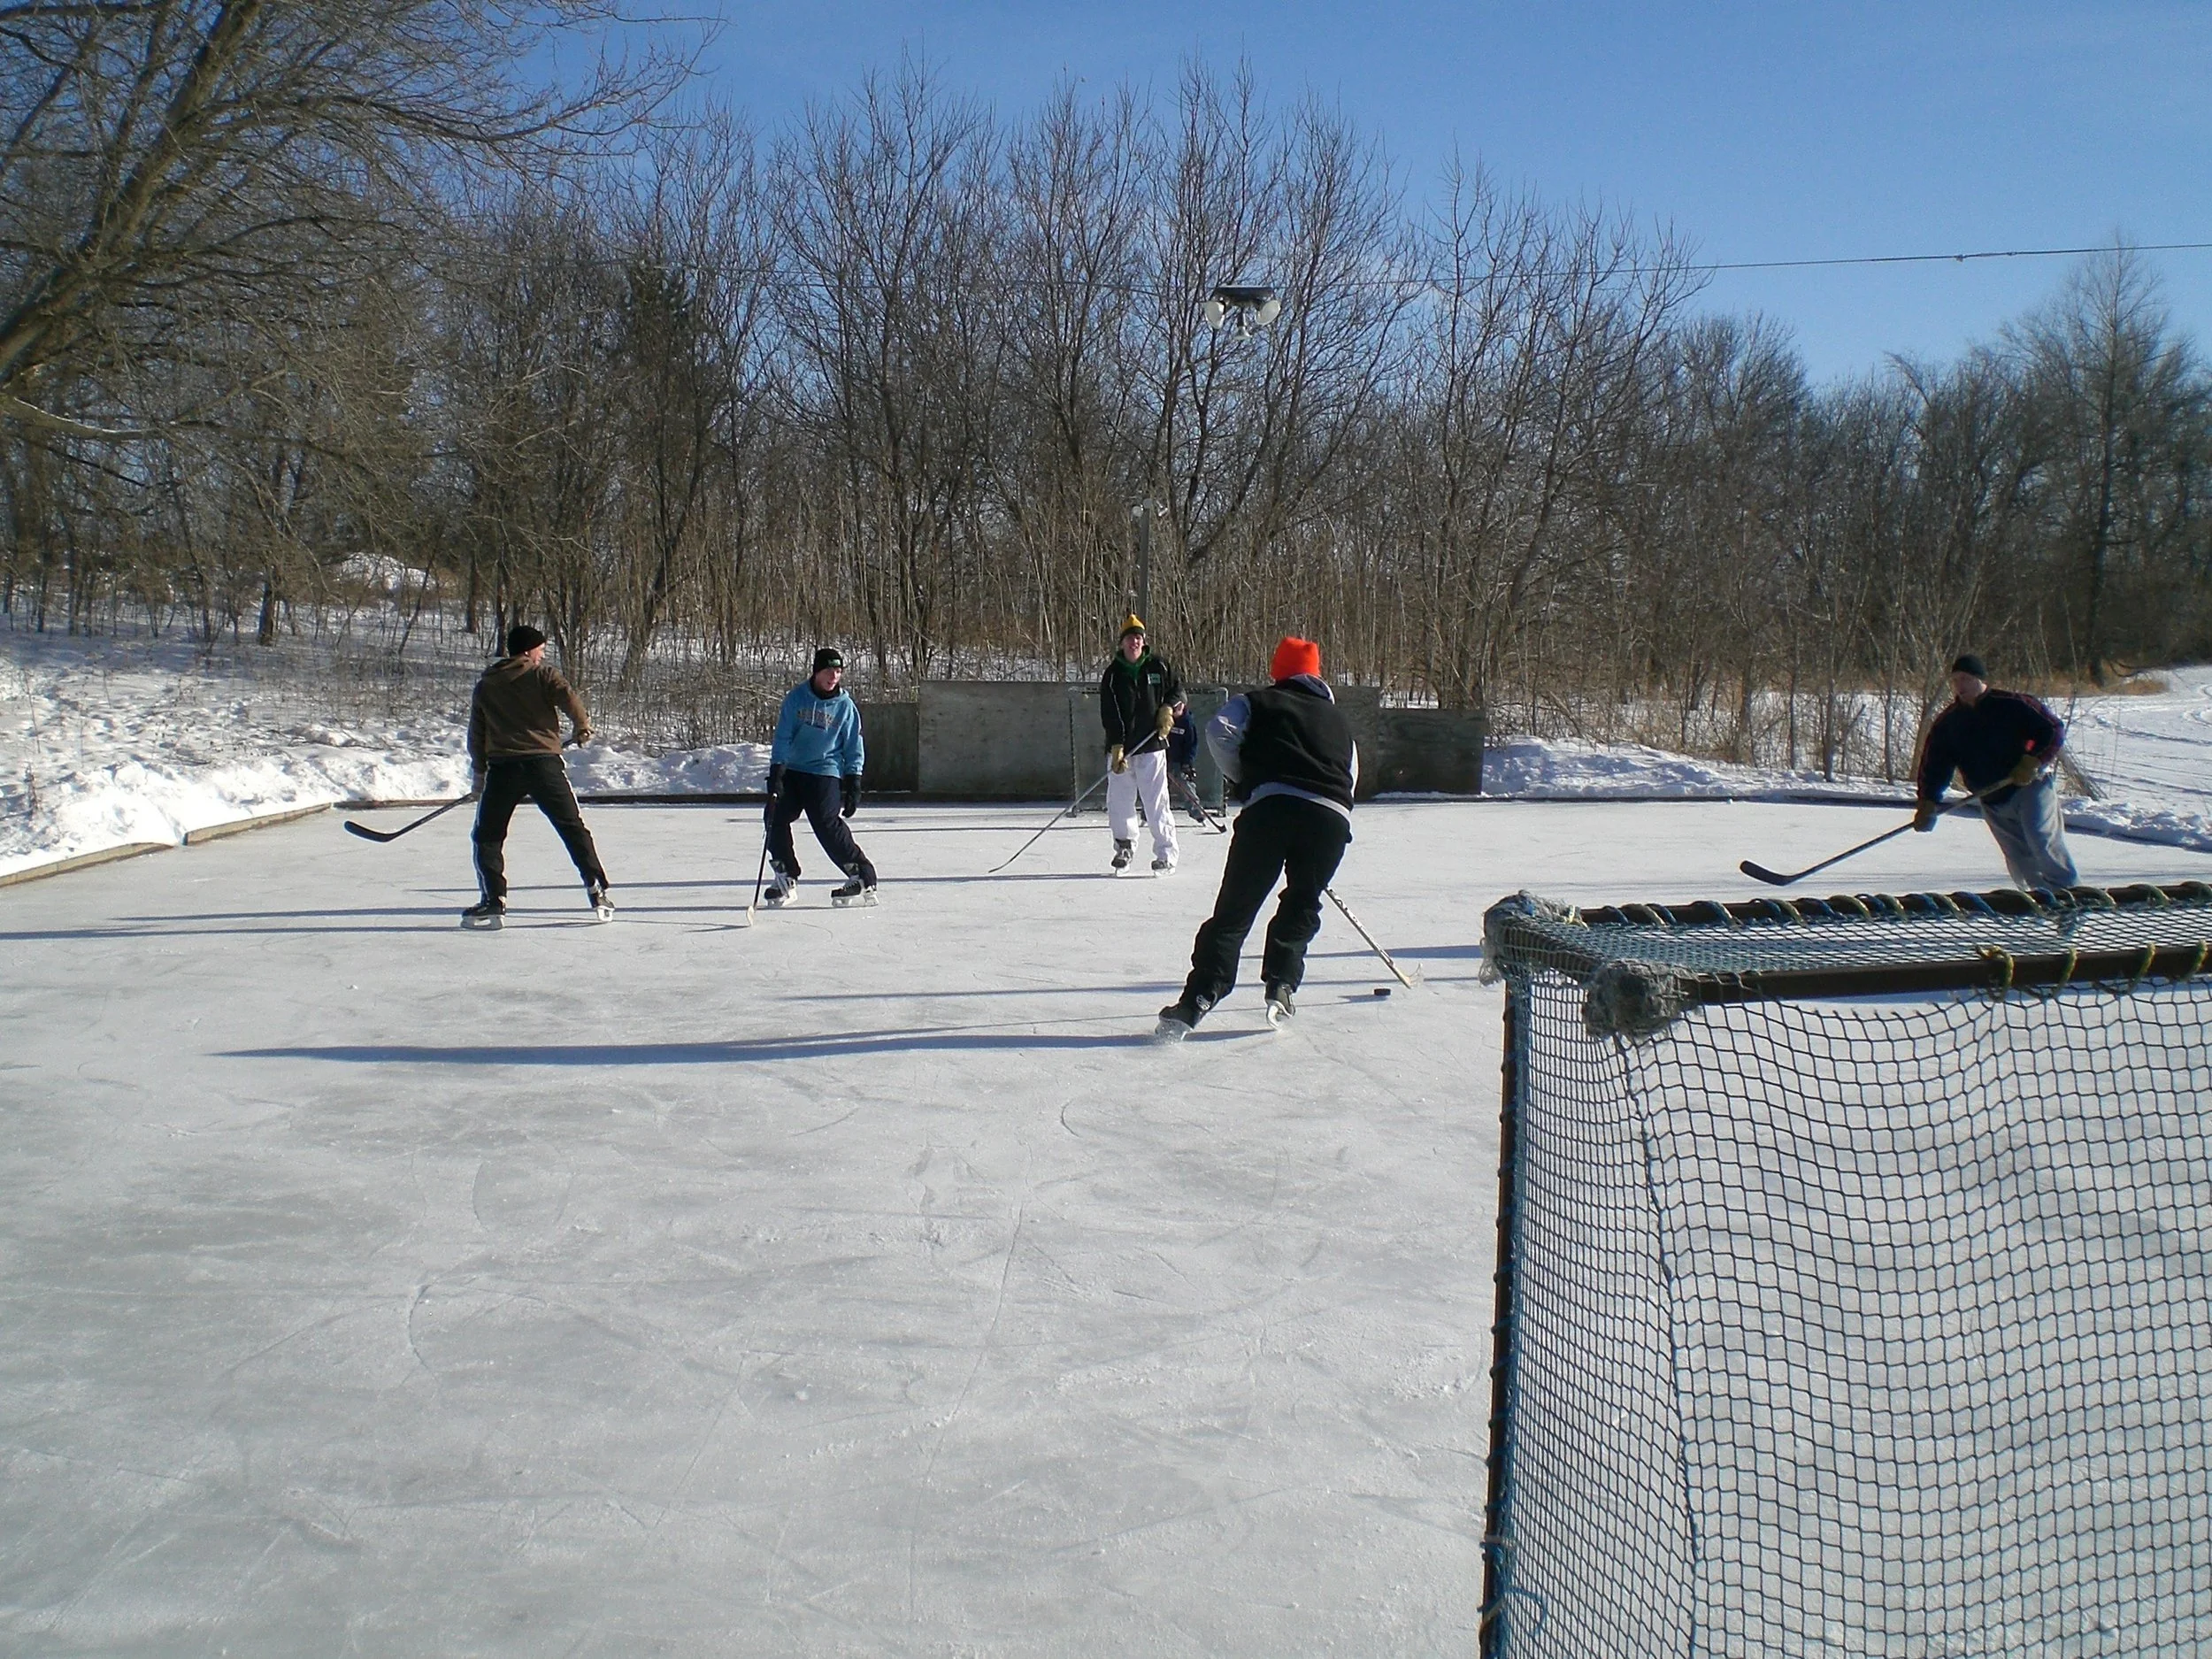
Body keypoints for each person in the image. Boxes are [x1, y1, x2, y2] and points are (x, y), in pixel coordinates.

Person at [1156, 636, 1357, 1038]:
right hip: (1331, 820)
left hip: (1270, 811)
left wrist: (1245, 779)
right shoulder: (1339, 720)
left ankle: (1200, 995)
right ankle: (1282, 983)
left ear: (1277, 671)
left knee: (1236, 909)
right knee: (1302, 903)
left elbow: (1218, 731)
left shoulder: (1257, 701)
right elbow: (1352, 773)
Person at [463, 624, 611, 929]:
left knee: (488, 836)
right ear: (529, 651)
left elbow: (477, 734)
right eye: (540, 650)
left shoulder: (487, 684)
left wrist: (479, 775)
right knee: (571, 827)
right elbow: (568, 697)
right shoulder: (542, 675)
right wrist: (582, 725)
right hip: (544, 766)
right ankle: (595, 887)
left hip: (503, 770)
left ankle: (494, 899)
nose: (542, 656)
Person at [1914, 652, 2079, 890]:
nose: (1960, 685)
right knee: (2021, 862)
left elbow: (2052, 729)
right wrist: (1928, 802)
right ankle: (2040, 905)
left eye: (1965, 679)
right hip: (1991, 799)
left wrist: (2034, 761)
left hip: (2029, 788)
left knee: (2042, 843)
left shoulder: (2012, 704)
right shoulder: (1949, 723)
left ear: (1979, 679)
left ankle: (2072, 901)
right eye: (1955, 680)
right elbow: (1935, 764)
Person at [764, 647, 877, 906]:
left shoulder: (846, 707)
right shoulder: (797, 698)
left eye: (838, 671)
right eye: (828, 671)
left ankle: (861, 874)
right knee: (774, 816)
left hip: (825, 772)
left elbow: (853, 745)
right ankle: (786, 876)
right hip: (793, 770)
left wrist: (854, 779)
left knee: (826, 823)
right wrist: (777, 770)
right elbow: (783, 736)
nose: (833, 677)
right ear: (816, 671)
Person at [1098, 614, 1185, 873]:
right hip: (1122, 750)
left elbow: (1178, 692)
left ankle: (1166, 853)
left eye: (1138, 637)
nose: (1134, 642)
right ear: (1122, 643)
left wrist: (1168, 708)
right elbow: (1110, 713)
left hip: (1152, 747)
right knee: (1120, 800)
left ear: (1143, 641)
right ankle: (1124, 846)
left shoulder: (1159, 666)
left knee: (1156, 801)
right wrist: (1116, 745)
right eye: (1130, 638)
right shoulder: (1113, 675)